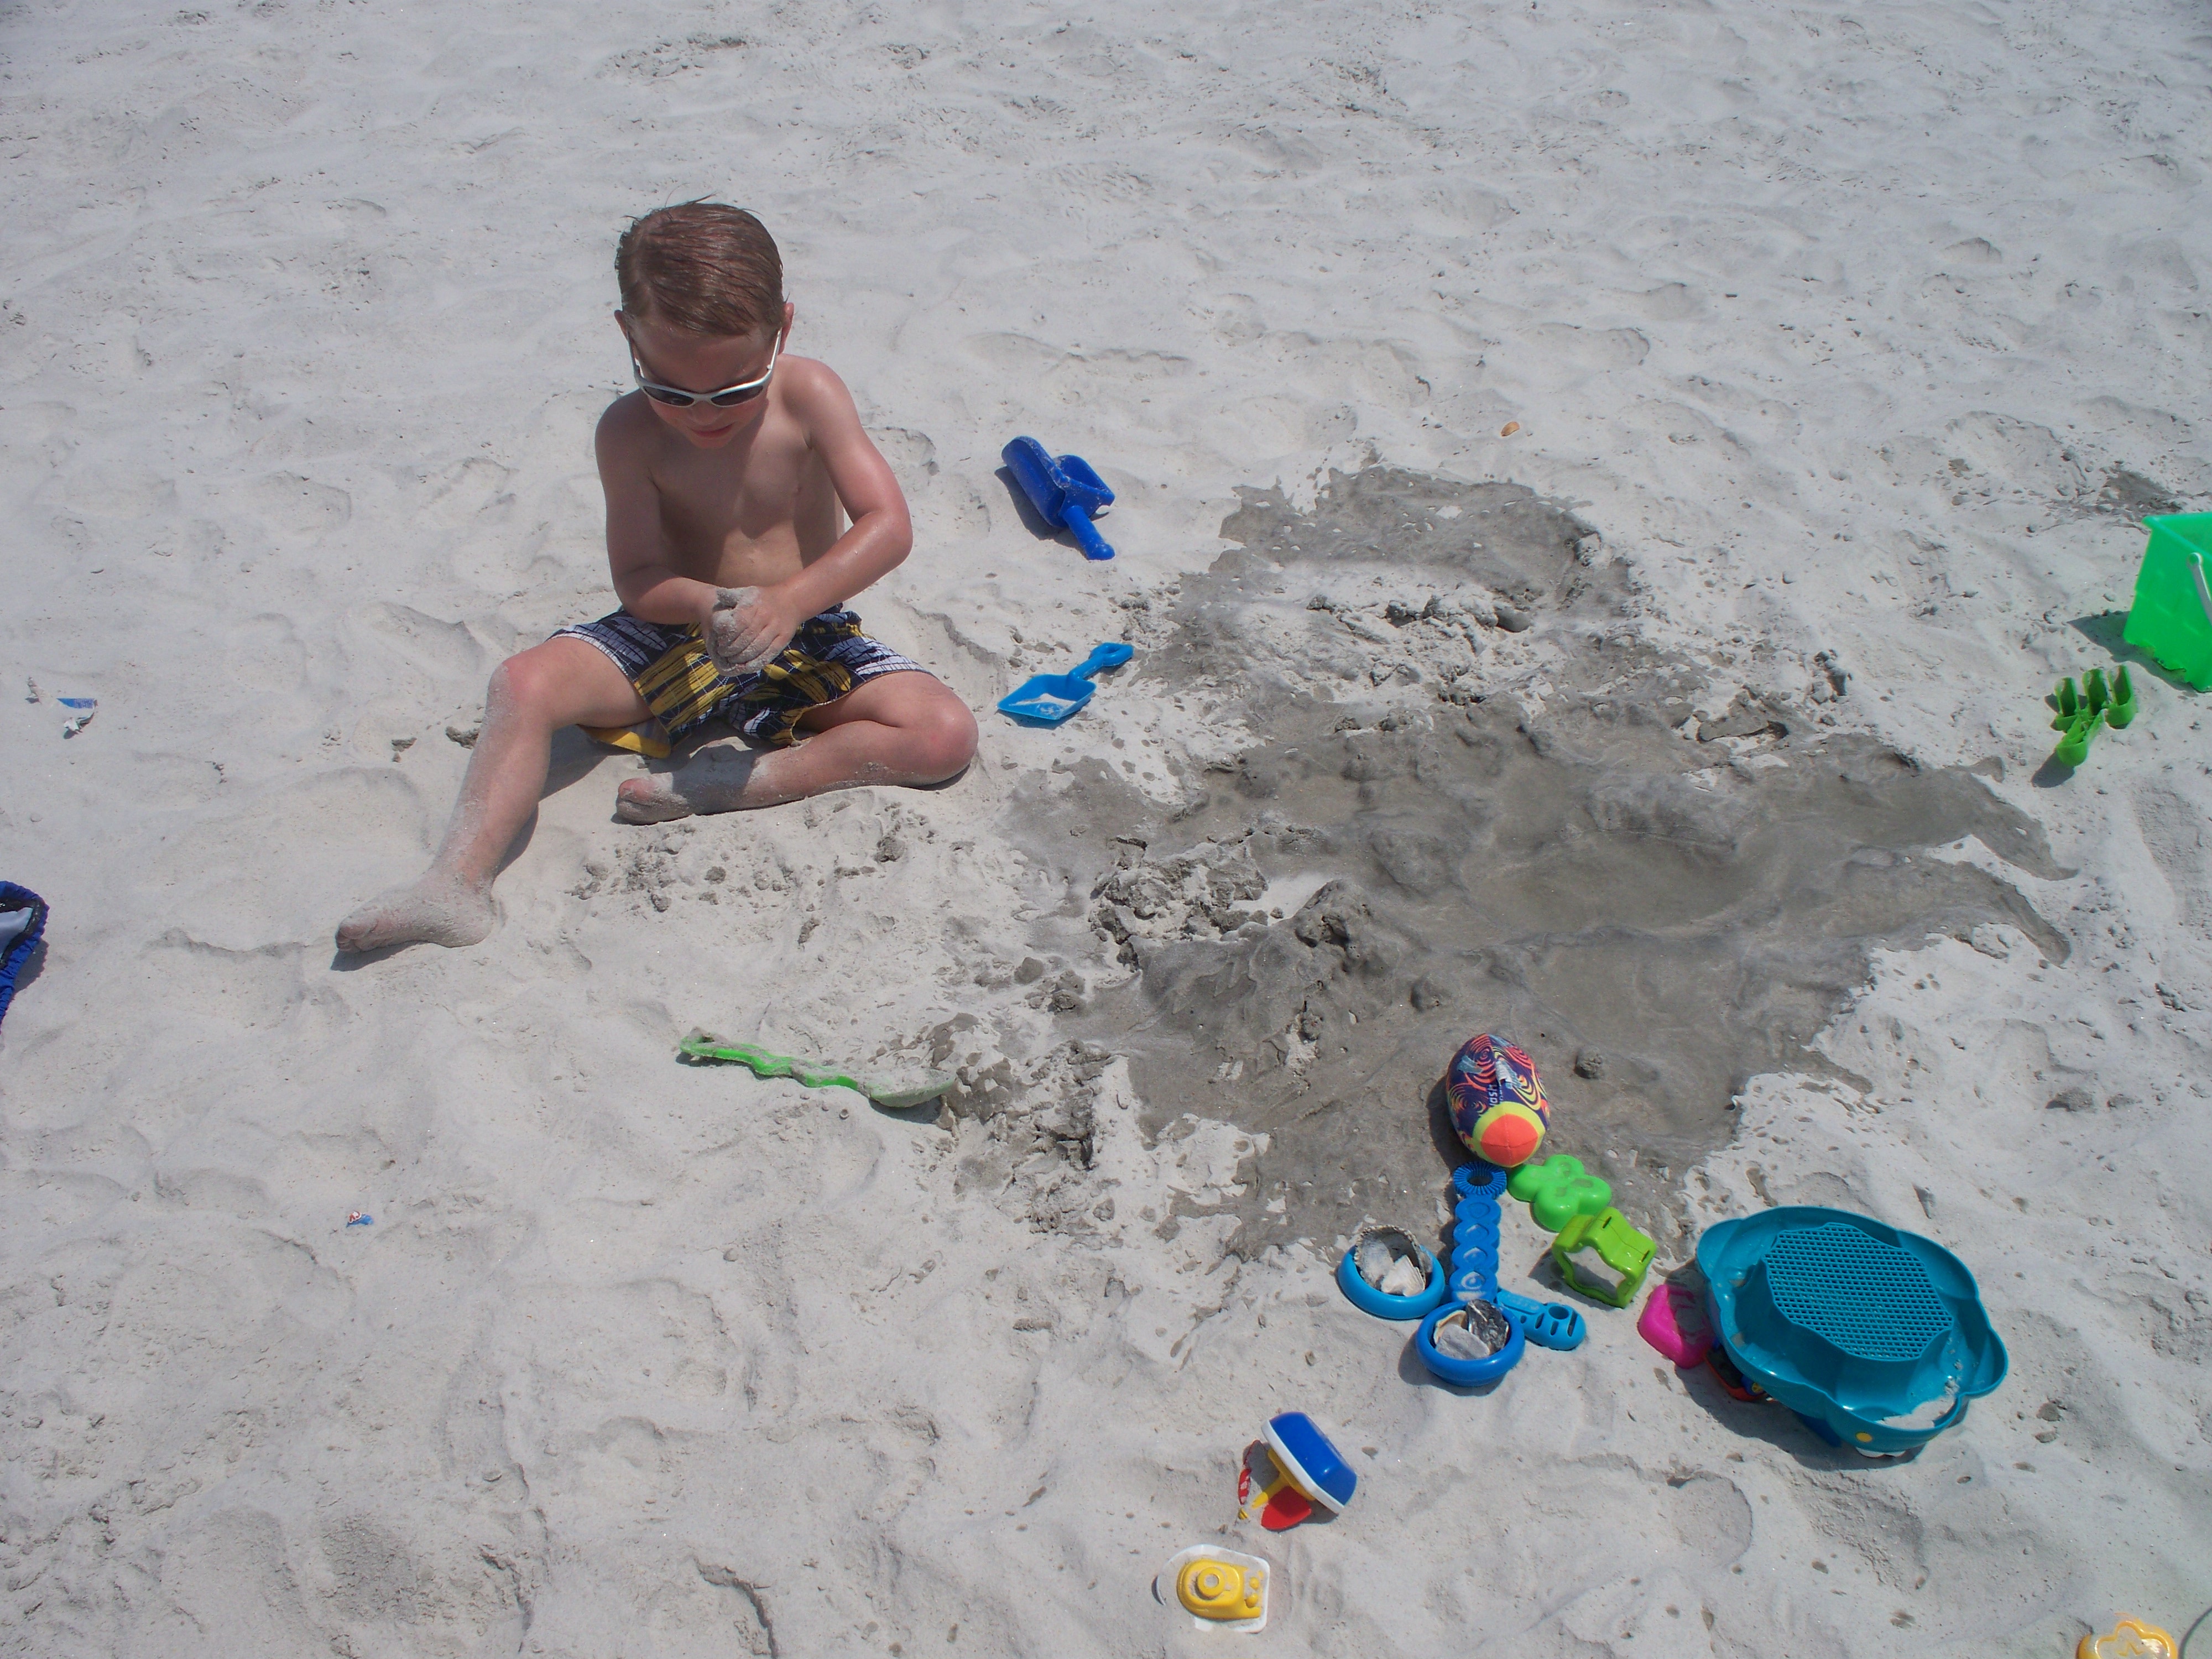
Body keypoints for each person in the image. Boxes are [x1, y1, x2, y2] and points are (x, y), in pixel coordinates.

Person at [336, 202, 977, 952]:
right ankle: (455, 883)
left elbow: (888, 525)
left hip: (805, 628)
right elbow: (639, 578)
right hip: (676, 629)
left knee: (943, 734)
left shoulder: (810, 395)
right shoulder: (628, 432)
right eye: (670, 390)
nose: (702, 414)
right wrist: (708, 603)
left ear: (782, 330)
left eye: (734, 390)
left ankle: (732, 783)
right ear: (627, 336)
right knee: (521, 684)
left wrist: (788, 602)